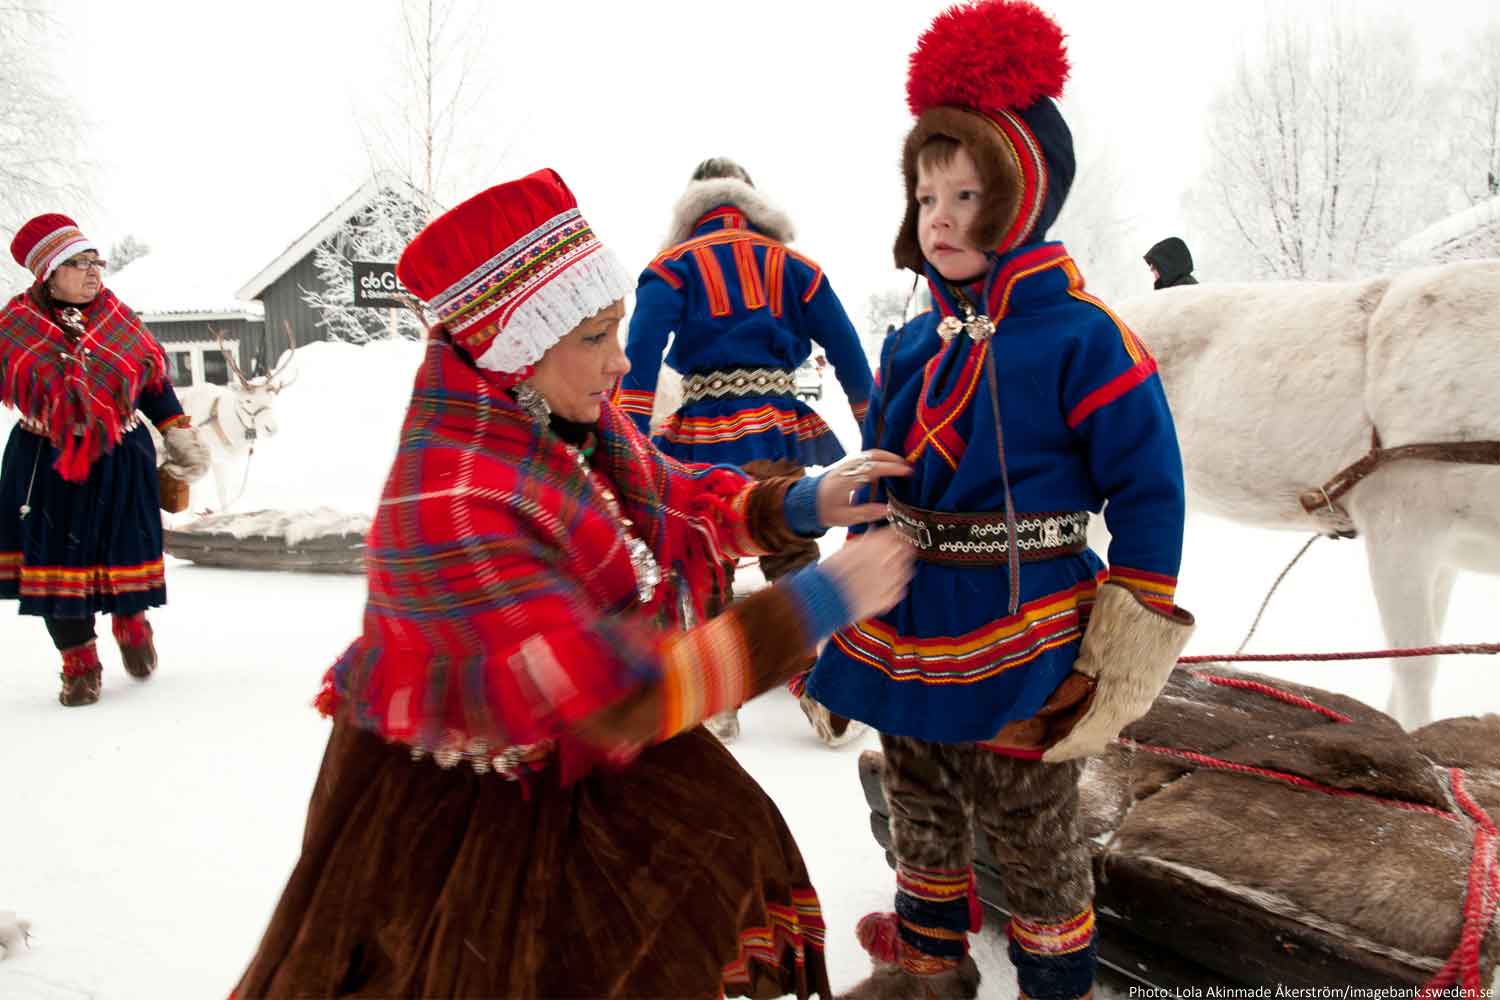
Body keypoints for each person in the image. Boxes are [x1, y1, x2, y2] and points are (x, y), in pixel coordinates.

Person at [232, 168, 916, 999]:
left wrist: (808, 500)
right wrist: (822, 600)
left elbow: (678, 503)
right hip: (465, 817)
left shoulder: (558, 421)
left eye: (617, 328)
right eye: (595, 337)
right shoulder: (459, 502)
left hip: (576, 750)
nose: (621, 361)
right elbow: (617, 699)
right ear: (516, 342)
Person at [803, 4, 1195, 998]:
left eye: (966, 193)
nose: (938, 217)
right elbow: (884, 467)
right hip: (911, 615)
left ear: (1022, 198)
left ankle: (1054, 983)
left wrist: (1122, 647)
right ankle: (930, 968)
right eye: (926, 194)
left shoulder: (1086, 339)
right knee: (920, 801)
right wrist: (856, 540)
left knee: (1030, 822)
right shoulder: (910, 340)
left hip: (1029, 623)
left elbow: (1149, 488)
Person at [617, 156, 877, 746]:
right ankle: (819, 690)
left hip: (701, 436)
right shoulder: (795, 267)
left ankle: (716, 701)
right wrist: (876, 430)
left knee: (707, 550)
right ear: (751, 202)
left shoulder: (671, 266)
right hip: (777, 429)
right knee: (788, 544)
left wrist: (625, 445)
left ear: (693, 205)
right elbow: (847, 351)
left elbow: (641, 358)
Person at [0, 213, 209, 706]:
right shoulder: (14, 328)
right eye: (79, 263)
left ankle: (131, 622)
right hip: (45, 463)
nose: (93, 272)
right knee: (56, 563)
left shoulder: (119, 320)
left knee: (123, 550)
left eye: (97, 261)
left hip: (120, 457)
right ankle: (79, 664)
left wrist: (177, 432)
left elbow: (153, 383)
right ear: (48, 272)